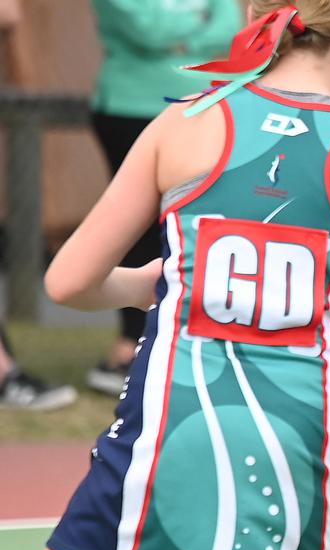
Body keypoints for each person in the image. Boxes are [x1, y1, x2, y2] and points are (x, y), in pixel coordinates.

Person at [0, 4, 330, 550]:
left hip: (165, 440)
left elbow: (66, 280)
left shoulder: (187, 122)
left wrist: (144, 281)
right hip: (300, 457)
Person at [86, 0, 243, 395]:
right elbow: (147, 31)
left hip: (203, 106)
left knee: (197, 223)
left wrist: (180, 36)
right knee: (134, 228)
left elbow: (229, 30)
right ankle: (129, 345)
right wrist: (196, 27)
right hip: (129, 108)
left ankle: (192, 339)